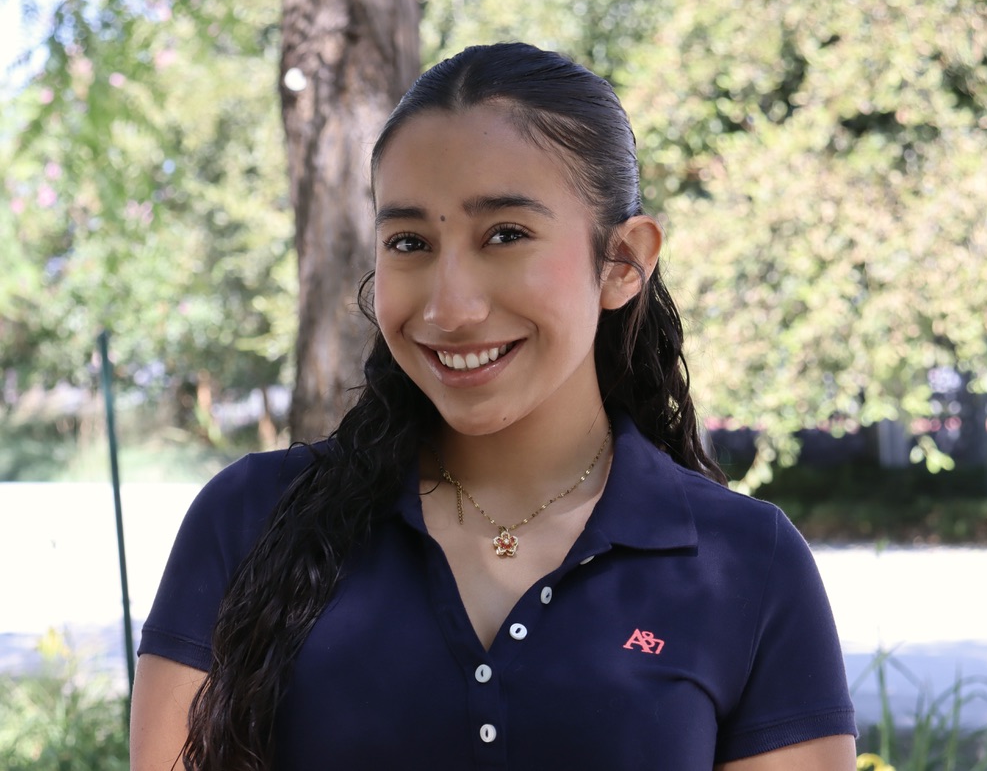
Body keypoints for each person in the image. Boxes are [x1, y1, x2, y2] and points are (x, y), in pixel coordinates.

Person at [130, 42, 857, 770]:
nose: (451, 308)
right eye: (409, 242)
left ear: (624, 260)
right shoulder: (251, 519)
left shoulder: (747, 564)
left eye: (505, 235)